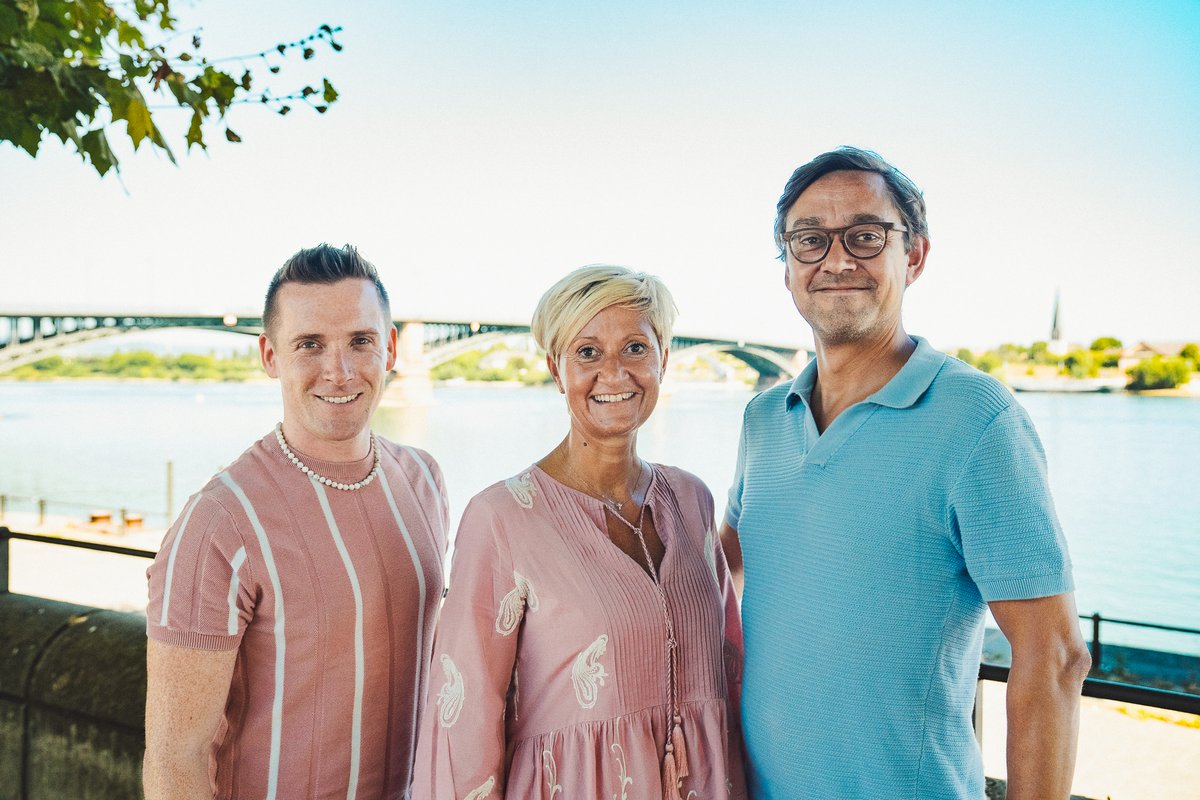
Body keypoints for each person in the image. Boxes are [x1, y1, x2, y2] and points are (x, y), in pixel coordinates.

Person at [720, 147, 1092, 799]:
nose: (837, 260)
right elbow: (724, 572)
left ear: (914, 256)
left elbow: (1054, 657)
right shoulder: (763, 418)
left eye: (866, 236)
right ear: (787, 267)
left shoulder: (977, 419)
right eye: (809, 240)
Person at [413, 265, 747, 799]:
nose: (614, 373)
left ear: (663, 358)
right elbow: (461, 724)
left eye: (635, 348)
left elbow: (730, 672)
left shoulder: (692, 501)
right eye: (587, 352)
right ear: (556, 368)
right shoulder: (502, 519)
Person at [143, 244, 448, 800]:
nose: (340, 371)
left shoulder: (423, 479)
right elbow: (174, 760)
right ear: (270, 356)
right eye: (310, 344)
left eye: (360, 341)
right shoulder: (219, 523)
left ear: (390, 349)